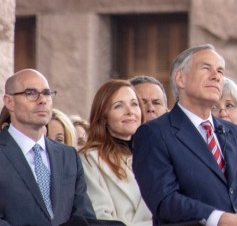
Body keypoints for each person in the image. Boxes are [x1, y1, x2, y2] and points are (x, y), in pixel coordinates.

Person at [133, 44, 237, 226]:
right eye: (206, 68)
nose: (216, 76)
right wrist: (219, 219)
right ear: (180, 78)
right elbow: (165, 200)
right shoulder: (154, 134)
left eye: (220, 71)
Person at [0, 69, 96, 225]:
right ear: (9, 101)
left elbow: (84, 217)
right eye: (30, 93)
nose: (42, 100)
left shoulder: (68, 156)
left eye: (46, 93)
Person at [80, 79, 152, 226]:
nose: (130, 111)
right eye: (119, 106)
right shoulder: (90, 159)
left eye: (134, 104)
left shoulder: (154, 155)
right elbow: (101, 217)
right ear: (104, 117)